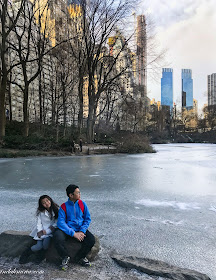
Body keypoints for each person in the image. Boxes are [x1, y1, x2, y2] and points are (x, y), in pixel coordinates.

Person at [53, 184, 95, 271]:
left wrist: (82, 231)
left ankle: (80, 258)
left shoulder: (82, 204)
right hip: (67, 229)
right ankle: (65, 256)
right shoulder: (64, 206)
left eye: (79, 192)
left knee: (91, 240)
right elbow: (61, 222)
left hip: (79, 229)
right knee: (57, 237)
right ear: (71, 195)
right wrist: (73, 233)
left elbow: (87, 219)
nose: (80, 194)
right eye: (78, 193)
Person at [19, 195, 59, 265]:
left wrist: (47, 231)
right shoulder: (41, 212)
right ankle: (25, 254)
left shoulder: (56, 209)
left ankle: (40, 257)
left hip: (50, 232)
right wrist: (40, 231)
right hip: (40, 232)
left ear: (50, 200)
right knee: (38, 246)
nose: (46, 203)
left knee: (45, 245)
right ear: (42, 205)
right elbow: (39, 223)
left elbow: (57, 223)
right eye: (44, 203)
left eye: (47, 200)